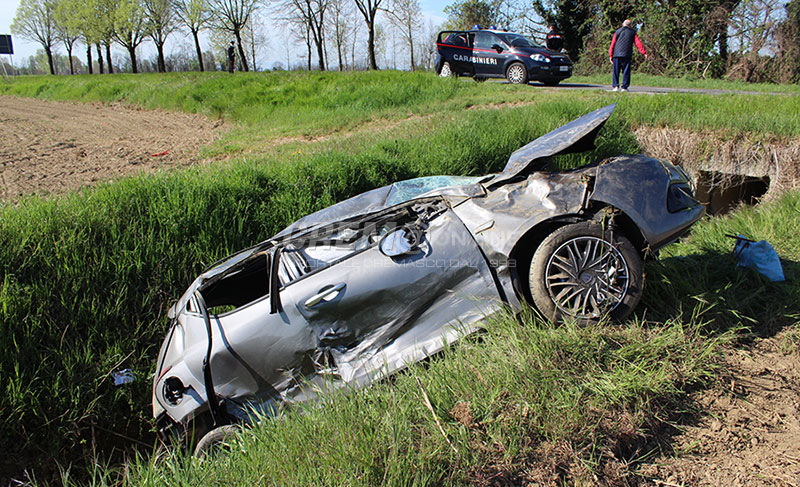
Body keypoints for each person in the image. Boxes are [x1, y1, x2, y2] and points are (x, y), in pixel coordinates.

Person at [608, 19, 647, 92]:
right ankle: (624, 87)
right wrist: (644, 52)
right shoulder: (632, 32)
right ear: (630, 25)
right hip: (627, 54)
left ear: (623, 24)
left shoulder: (617, 32)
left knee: (616, 71)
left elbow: (612, 44)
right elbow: (638, 43)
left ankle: (615, 86)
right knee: (626, 71)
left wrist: (611, 55)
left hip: (616, 54)